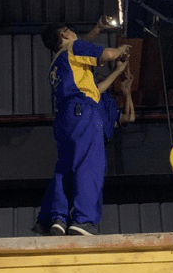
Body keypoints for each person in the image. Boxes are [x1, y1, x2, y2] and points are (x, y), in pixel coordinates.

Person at [33, 18, 131, 236]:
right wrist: (121, 49)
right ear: (65, 34)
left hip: (64, 117)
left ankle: (57, 219)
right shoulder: (74, 48)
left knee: (65, 169)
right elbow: (107, 54)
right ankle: (82, 220)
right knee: (89, 164)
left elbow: (95, 90)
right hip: (83, 111)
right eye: (71, 30)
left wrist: (117, 72)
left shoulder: (56, 65)